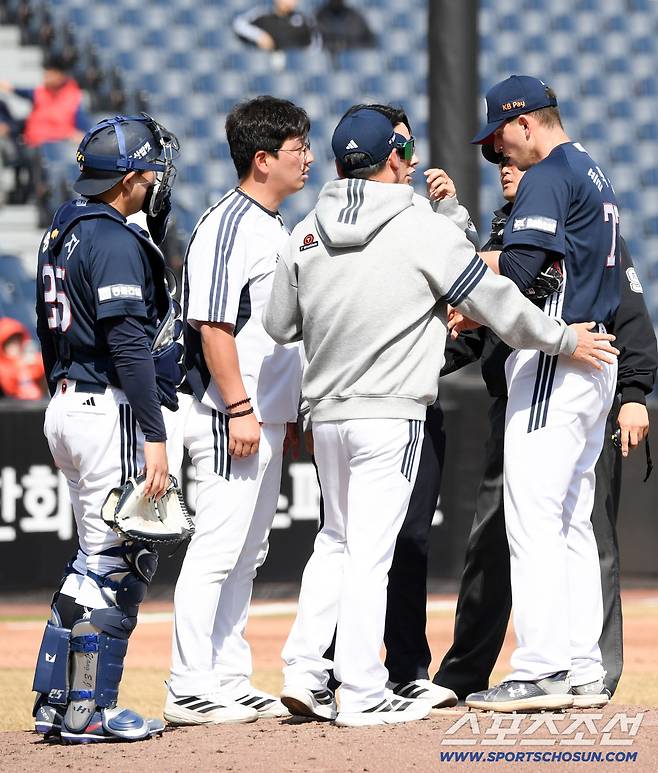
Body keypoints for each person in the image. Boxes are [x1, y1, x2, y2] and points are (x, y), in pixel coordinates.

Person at [263, 106, 617, 727]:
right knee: (374, 551)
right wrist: (561, 339)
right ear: (394, 158)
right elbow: (495, 297)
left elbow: (278, 324)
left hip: (326, 414)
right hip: (392, 411)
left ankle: (303, 671)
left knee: (337, 542)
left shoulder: (305, 230)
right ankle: (364, 689)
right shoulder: (418, 224)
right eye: (404, 152)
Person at [432, 150, 657, 704]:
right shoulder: (529, 223)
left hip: (562, 378)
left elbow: (627, 312)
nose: (506, 167)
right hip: (536, 389)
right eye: (497, 162)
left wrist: (635, 392)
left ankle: (551, 668)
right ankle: (570, 669)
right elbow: (482, 317)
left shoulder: (566, 223)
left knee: (554, 527)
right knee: (539, 532)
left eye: (513, 158)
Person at [455, 75, 622, 712]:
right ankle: (580, 667)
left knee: (533, 518)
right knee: (572, 520)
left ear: (526, 123)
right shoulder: (592, 170)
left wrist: (457, 277)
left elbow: (521, 275)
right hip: (592, 357)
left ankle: (542, 667)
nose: (499, 152)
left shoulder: (551, 172)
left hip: (558, 359)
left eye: (500, 137)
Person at [31, 113, 183, 743]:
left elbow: (48, 332)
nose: (155, 179)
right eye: (148, 168)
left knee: (91, 556)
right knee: (122, 560)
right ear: (129, 177)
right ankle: (91, 709)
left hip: (65, 402)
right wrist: (153, 434)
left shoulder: (60, 229)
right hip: (104, 407)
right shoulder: (114, 238)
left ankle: (56, 701)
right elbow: (128, 343)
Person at [165, 96, 312, 726]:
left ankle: (227, 672)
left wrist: (280, 413)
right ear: (261, 159)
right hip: (226, 409)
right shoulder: (229, 224)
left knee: (248, 551)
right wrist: (240, 408)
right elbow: (213, 328)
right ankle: (188, 681)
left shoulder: (274, 224)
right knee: (219, 546)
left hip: (265, 412)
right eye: (296, 148)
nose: (307, 158)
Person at [0, 56, 91, 147]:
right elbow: (22, 92)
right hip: (32, 146)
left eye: (49, 75)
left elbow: (82, 131)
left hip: (57, 147)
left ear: (60, 75)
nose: (45, 78)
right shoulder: (40, 92)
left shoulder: (74, 98)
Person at [233, 0, 316, 51]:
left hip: (294, 65)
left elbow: (314, 41)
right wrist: (259, 36)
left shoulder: (303, 19)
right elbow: (239, 24)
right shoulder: (263, 14)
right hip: (266, 62)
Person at [0, 317, 46, 399]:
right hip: (12, 409)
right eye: (10, 342)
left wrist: (33, 363)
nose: (15, 345)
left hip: (38, 405)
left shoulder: (30, 360)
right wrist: (22, 366)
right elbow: (8, 382)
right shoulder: (3, 368)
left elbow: (45, 366)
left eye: (17, 340)